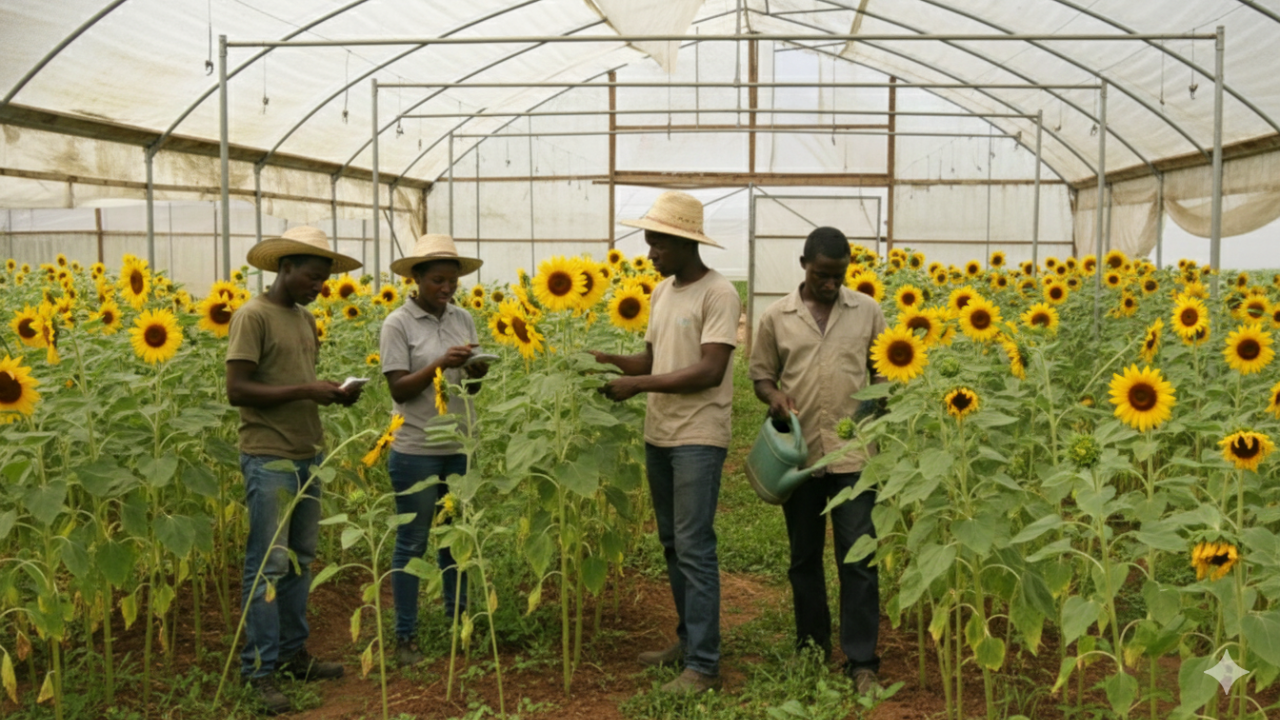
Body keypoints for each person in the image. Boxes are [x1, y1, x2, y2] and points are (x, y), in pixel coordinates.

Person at [590, 191, 740, 694]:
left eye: (657, 242)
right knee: (674, 545)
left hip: (699, 435)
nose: (649, 252)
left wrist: (638, 386)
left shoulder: (719, 293)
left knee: (695, 547)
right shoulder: (661, 293)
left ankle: (704, 665)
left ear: (682, 242)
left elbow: (709, 369)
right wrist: (611, 362)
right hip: (661, 433)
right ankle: (688, 641)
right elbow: (653, 361)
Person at [226, 226, 364, 715]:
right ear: (283, 268)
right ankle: (258, 671)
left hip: (308, 452)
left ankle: (291, 654)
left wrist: (333, 393)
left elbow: (295, 381)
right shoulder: (252, 316)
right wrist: (309, 391)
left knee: (301, 559)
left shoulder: (305, 319)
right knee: (268, 564)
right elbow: (238, 390)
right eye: (312, 276)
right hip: (269, 457)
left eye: (324, 279)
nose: (319, 286)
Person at [747, 226, 886, 694]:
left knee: (859, 559)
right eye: (823, 274)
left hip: (856, 457)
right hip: (802, 460)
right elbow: (761, 375)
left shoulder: (867, 311)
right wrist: (774, 397)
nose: (831, 283)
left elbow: (883, 371)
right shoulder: (775, 317)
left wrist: (875, 409)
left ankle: (862, 660)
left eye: (839, 274)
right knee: (803, 558)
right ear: (803, 263)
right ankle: (811, 647)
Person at [379, 234, 488, 666]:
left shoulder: (463, 318)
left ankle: (457, 622)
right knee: (413, 540)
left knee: (454, 540)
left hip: (458, 445)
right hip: (416, 446)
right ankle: (405, 637)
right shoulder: (397, 324)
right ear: (416, 278)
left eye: (453, 281)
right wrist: (441, 363)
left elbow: (472, 387)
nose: (447, 289)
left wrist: (476, 371)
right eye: (438, 280)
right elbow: (400, 389)